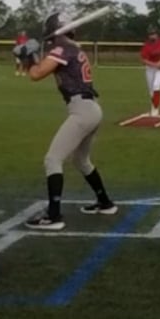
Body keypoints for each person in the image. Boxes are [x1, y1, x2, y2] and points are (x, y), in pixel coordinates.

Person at [17, 13, 117, 231]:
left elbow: (36, 74)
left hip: (82, 110)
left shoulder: (62, 48)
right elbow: (41, 69)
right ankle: (105, 202)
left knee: (53, 159)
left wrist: (28, 57)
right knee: (81, 160)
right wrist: (31, 57)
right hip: (90, 108)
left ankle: (53, 216)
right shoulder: (72, 47)